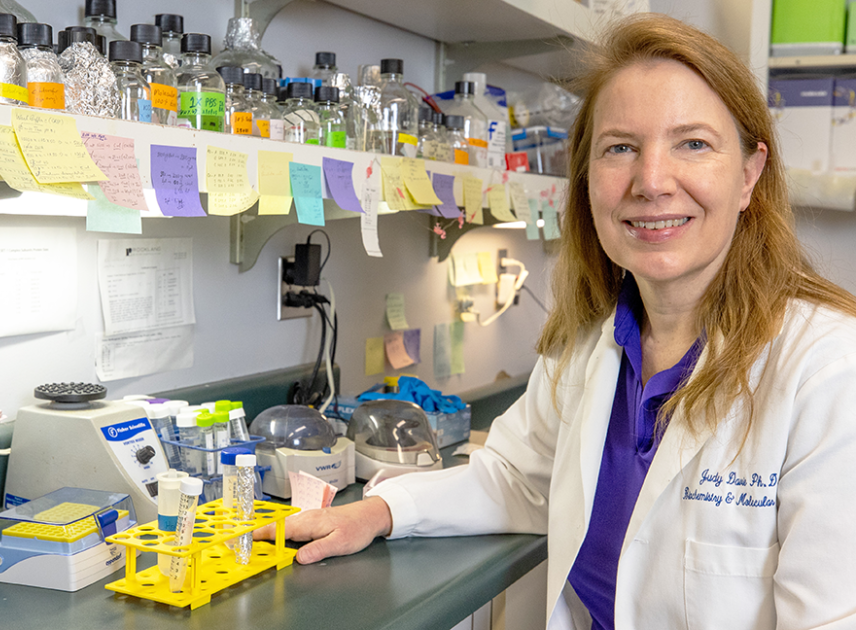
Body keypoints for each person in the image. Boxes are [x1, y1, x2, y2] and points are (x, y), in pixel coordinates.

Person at [258, 14, 856, 629]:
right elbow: (516, 478)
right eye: (620, 148)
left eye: (693, 144)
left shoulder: (829, 371)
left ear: (749, 175)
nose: (651, 181)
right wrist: (381, 512)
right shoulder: (590, 345)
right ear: (587, 179)